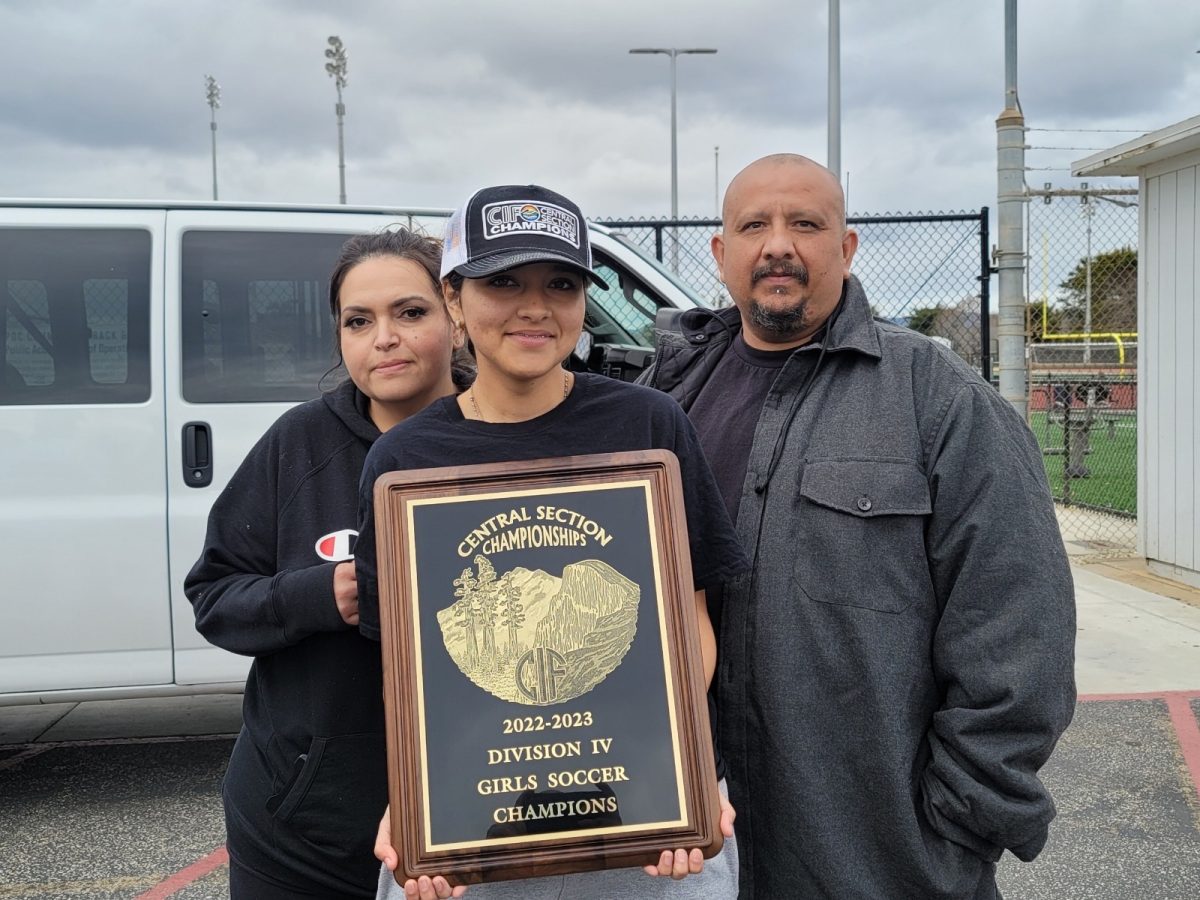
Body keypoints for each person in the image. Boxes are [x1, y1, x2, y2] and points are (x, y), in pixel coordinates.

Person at [639, 153, 1077, 899]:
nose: (779, 244)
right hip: (689, 854)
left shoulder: (939, 402)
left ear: (846, 248)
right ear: (722, 254)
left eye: (806, 223)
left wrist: (959, 821)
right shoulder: (662, 401)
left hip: (876, 859)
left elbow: (1017, 629)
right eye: (754, 225)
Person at [353, 184, 749, 900]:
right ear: (453, 297)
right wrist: (417, 800)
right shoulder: (404, 462)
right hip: (479, 821)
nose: (535, 306)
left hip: (638, 810)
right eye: (503, 281)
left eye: (561, 284)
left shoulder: (650, 427)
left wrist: (680, 771)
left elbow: (690, 625)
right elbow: (408, 670)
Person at [185, 229, 471, 899]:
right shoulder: (297, 444)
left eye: (410, 312)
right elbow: (215, 597)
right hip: (300, 832)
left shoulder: (503, 444)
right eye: (358, 321)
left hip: (462, 820)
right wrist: (321, 596)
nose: (384, 337)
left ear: (456, 319)